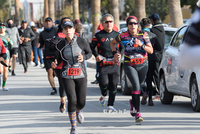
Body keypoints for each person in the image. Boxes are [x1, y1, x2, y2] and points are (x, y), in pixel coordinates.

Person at [50, 21, 92, 134]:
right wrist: (55, 63)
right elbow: (58, 58)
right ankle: (73, 127)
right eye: (65, 29)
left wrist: (84, 57)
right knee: (72, 100)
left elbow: (90, 53)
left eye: (70, 28)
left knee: (81, 102)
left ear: (74, 30)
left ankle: (78, 111)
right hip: (66, 75)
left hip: (81, 74)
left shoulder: (82, 41)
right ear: (63, 31)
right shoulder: (60, 44)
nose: (68, 30)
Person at [110, 16, 153, 124]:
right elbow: (112, 43)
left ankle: (133, 102)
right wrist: (115, 53)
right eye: (130, 23)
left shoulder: (143, 35)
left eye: (135, 23)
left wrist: (141, 45)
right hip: (129, 65)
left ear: (137, 25)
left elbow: (151, 50)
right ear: (127, 25)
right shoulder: (122, 36)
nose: (133, 25)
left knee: (139, 86)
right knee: (136, 87)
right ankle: (137, 113)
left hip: (143, 65)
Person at [90, 14, 124, 112]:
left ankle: (110, 105)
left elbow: (122, 47)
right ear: (103, 24)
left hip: (114, 63)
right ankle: (103, 94)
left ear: (113, 23)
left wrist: (120, 55)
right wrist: (96, 55)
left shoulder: (117, 35)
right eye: (106, 22)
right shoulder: (98, 35)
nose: (108, 24)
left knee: (113, 85)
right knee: (104, 83)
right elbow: (91, 47)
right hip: (103, 63)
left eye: (110, 21)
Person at [139, 18, 161, 106]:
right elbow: (159, 48)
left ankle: (144, 92)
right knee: (149, 79)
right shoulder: (153, 35)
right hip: (151, 59)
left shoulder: (138, 35)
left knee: (140, 79)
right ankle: (150, 100)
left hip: (140, 59)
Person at [53, 17, 71, 113]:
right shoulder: (57, 36)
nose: (67, 25)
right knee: (63, 85)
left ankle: (73, 102)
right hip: (60, 65)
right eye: (64, 23)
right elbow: (52, 50)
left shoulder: (75, 36)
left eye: (69, 23)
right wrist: (54, 61)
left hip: (73, 65)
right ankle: (63, 101)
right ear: (61, 26)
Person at [37, 17, 58, 95]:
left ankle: (63, 86)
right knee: (49, 72)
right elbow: (41, 43)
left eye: (49, 22)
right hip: (47, 54)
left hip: (56, 55)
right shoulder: (42, 33)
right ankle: (54, 89)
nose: (48, 23)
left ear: (52, 23)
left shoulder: (56, 31)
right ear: (45, 24)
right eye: (46, 22)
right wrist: (39, 45)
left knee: (56, 73)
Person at [149, 13, 165, 91]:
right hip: (161, 54)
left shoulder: (153, 30)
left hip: (154, 55)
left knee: (155, 74)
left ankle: (159, 91)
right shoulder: (162, 29)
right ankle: (161, 91)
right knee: (159, 73)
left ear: (152, 20)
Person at [0, 23, 14, 91]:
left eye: (3, 27)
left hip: (6, 54)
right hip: (0, 54)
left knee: (5, 70)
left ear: (5, 28)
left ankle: (4, 85)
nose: (2, 28)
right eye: (0, 27)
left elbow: (11, 47)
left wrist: (9, 42)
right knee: (0, 71)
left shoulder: (8, 36)